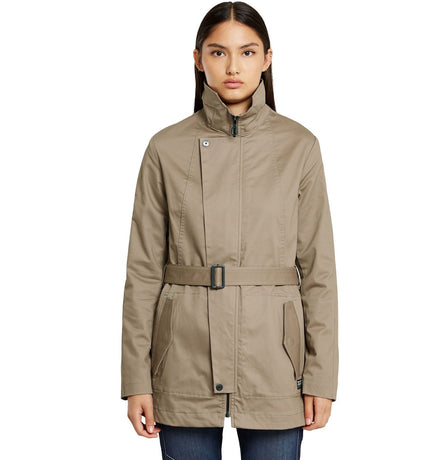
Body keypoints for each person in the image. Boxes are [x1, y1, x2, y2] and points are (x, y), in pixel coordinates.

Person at [120, 2, 339, 459]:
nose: (233, 67)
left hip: (275, 363)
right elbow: (142, 272)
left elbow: (319, 272)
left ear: (267, 59)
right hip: (183, 360)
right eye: (218, 53)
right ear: (198, 59)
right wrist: (136, 378)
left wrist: (321, 377)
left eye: (247, 52)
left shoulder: (299, 146)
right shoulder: (165, 148)